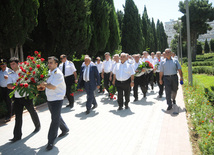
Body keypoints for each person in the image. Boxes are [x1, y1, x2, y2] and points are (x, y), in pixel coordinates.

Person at [7, 57, 40, 142]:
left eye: (13, 63)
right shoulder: (10, 73)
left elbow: (31, 82)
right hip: (17, 98)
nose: (12, 65)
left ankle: (37, 126)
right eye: (11, 64)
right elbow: (8, 85)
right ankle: (17, 136)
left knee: (32, 111)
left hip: (26, 96)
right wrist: (16, 85)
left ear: (18, 63)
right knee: (18, 117)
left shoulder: (24, 71)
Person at [40, 56, 69, 150]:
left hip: (57, 99)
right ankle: (65, 129)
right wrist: (42, 86)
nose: (49, 64)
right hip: (50, 99)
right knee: (56, 116)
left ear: (56, 64)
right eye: (48, 62)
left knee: (54, 120)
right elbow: (47, 84)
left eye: (51, 62)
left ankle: (50, 141)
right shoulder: (49, 72)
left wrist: (43, 84)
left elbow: (52, 86)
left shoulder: (58, 74)